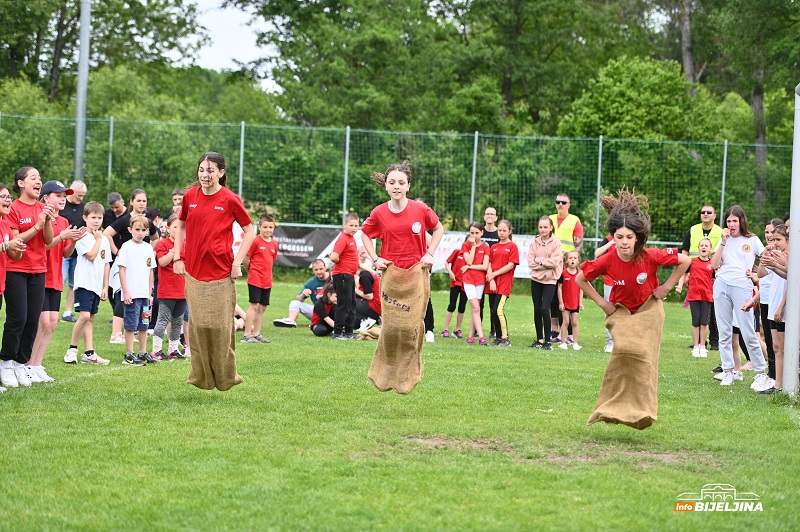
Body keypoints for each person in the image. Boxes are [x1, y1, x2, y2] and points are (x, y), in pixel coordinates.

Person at [576, 189, 690, 429]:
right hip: (623, 312)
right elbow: (580, 279)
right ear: (613, 238)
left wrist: (666, 287)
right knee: (626, 351)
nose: (624, 242)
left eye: (629, 237)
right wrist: (602, 302)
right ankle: (610, 408)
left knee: (643, 357)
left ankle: (642, 411)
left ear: (637, 238)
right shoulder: (607, 260)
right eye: (619, 237)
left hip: (649, 310)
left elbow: (685, 261)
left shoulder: (650, 255)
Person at [173, 152, 255, 391]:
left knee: (220, 327)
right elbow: (181, 226)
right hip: (194, 274)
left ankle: (227, 377)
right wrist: (179, 257)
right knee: (198, 328)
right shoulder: (190, 196)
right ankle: (201, 377)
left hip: (221, 274)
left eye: (210, 171)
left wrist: (237, 261)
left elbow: (250, 231)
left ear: (221, 172)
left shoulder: (230, 199)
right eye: (201, 170)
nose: (205, 175)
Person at [360, 160, 443, 394]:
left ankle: (408, 375)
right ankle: (384, 374)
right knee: (391, 328)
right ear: (386, 186)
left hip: (417, 274)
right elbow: (365, 234)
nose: (397, 186)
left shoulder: (420, 209)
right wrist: (375, 259)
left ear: (408, 186)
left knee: (410, 328)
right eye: (392, 182)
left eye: (401, 182)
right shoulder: (379, 212)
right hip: (391, 276)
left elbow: (438, 229)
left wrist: (429, 253)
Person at [0, 167, 56, 389]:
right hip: (16, 269)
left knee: (32, 320)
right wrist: (38, 225)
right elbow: (15, 241)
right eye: (33, 178)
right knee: (18, 318)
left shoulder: (43, 208)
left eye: (39, 178)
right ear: (20, 183)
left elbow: (48, 241)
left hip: (38, 269)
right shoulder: (12, 208)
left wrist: (47, 221)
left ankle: (21, 363)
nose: (38, 181)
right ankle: (5, 363)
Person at [709, 205, 774, 392]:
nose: (731, 224)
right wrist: (722, 242)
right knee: (724, 331)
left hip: (742, 287)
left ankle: (761, 372)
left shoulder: (752, 240)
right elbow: (713, 264)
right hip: (721, 285)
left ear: (741, 221)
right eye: (728, 221)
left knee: (748, 332)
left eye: (734, 221)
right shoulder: (724, 240)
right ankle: (728, 370)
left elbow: (766, 257)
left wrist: (754, 273)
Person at [27, 181, 85, 382]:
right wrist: (62, 237)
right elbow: (43, 246)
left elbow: (65, 253)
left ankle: (36, 365)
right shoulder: (41, 218)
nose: (62, 199)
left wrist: (74, 240)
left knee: (51, 323)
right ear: (45, 198)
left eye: (63, 196)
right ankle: (26, 364)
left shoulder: (64, 222)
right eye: (58, 196)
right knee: (41, 322)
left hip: (56, 277)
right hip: (40, 275)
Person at [103, 189, 160, 344]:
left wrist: (151, 253)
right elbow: (107, 233)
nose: (141, 203)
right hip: (124, 265)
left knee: (138, 299)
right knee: (123, 296)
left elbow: (156, 238)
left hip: (140, 267)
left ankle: (132, 331)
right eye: (138, 200)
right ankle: (115, 334)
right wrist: (116, 251)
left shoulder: (146, 221)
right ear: (131, 201)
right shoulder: (125, 219)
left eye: (144, 201)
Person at [64, 202, 114, 365]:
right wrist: (98, 239)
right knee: (84, 316)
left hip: (95, 285)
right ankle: (72, 349)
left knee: (90, 318)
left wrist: (105, 287)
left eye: (99, 218)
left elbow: (106, 264)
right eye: (93, 217)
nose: (96, 221)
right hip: (83, 283)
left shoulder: (104, 240)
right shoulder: (83, 236)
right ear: (85, 218)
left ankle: (89, 353)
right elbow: (91, 256)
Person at [680, 205, 723, 350]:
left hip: (713, 272)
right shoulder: (693, 230)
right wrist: (685, 273)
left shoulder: (720, 231)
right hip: (694, 274)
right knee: (697, 316)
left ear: (714, 215)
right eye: (703, 212)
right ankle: (697, 342)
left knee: (712, 313)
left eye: (709, 212)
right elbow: (685, 251)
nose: (705, 214)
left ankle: (714, 341)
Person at [117, 214, 157, 365]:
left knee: (144, 324)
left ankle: (142, 352)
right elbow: (122, 270)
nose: (140, 232)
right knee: (130, 324)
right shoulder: (126, 247)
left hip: (144, 294)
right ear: (130, 229)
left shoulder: (148, 248)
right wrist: (126, 291)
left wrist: (150, 293)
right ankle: (129, 354)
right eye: (137, 229)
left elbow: (151, 271)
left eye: (143, 230)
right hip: (131, 294)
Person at [757, 223, 789, 394]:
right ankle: (777, 384)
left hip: (783, 309)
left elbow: (791, 281)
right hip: (774, 305)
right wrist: (766, 255)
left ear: (788, 240)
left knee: (784, 347)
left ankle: (786, 384)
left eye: (778, 239)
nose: (774, 242)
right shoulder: (775, 254)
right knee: (776, 347)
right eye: (773, 238)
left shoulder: (791, 257)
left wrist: (782, 306)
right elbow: (761, 274)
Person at [151, 213, 188, 360]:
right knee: (163, 320)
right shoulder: (163, 244)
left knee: (178, 321)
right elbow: (162, 262)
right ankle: (156, 350)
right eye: (175, 227)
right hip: (167, 291)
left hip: (182, 290)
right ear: (167, 228)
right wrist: (173, 252)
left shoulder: (186, 244)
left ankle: (173, 349)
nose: (178, 230)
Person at [0, 184, 25, 392]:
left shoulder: (5, 225)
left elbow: (12, 256)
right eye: (2, 197)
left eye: (9, 197)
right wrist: (8, 246)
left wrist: (17, 248)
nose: (7, 200)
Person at [549, 193, 583, 343]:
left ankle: (569, 335)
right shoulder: (550, 219)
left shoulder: (574, 220)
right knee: (553, 299)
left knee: (569, 298)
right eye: (558, 202)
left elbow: (578, 246)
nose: (560, 204)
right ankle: (554, 331)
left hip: (567, 266)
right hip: (551, 266)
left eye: (564, 202)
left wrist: (570, 263)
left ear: (569, 205)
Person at [242, 214, 279, 343]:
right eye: (265, 227)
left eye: (270, 227)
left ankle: (257, 333)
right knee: (254, 305)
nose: (268, 230)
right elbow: (246, 259)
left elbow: (271, 262)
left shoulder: (274, 243)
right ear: (259, 227)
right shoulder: (255, 241)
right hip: (255, 279)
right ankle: (247, 335)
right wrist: (251, 272)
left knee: (262, 307)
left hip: (267, 281)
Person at [528, 216, 563, 350]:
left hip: (550, 280)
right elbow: (531, 263)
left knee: (544, 308)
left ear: (551, 228)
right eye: (540, 227)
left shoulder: (556, 243)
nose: (543, 230)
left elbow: (555, 262)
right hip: (536, 279)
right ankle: (539, 339)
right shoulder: (534, 243)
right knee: (537, 309)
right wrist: (544, 263)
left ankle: (548, 341)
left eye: (545, 227)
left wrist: (540, 261)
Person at [676, 238, 715, 358]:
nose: (703, 247)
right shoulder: (692, 262)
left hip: (707, 296)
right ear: (698, 248)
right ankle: (696, 346)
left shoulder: (713, 264)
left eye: (706, 246)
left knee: (704, 322)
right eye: (701, 245)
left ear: (710, 249)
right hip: (693, 295)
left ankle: (703, 346)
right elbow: (682, 273)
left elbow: (715, 279)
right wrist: (680, 285)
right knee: (695, 321)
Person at [486, 220, 519, 346]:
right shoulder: (493, 247)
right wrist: (491, 279)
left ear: (509, 231)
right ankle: (498, 337)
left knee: (498, 309)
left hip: (504, 282)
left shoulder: (512, 247)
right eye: (499, 230)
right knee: (493, 310)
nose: (501, 232)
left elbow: (511, 265)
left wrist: (494, 275)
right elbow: (489, 263)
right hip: (493, 283)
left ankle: (506, 338)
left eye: (504, 230)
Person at [273, 259, 330, 327]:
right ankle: (290, 321)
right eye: (316, 270)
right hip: (318, 311)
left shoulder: (333, 279)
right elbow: (299, 300)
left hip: (332, 311)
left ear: (325, 267)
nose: (319, 272)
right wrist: (303, 294)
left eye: (321, 269)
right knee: (294, 303)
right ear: (313, 270)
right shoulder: (311, 282)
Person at [60, 180, 87, 323]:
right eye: (79, 196)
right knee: (60, 279)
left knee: (73, 283)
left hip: (78, 252)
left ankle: (67, 312)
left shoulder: (84, 208)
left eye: (83, 196)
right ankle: (51, 309)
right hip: (63, 250)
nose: (81, 199)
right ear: (71, 191)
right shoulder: (62, 205)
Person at [330, 213, 360, 340]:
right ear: (345, 225)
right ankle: (337, 333)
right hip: (342, 275)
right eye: (351, 225)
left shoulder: (351, 238)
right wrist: (342, 265)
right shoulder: (343, 238)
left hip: (349, 275)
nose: (354, 228)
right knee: (344, 303)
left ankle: (348, 331)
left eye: (356, 225)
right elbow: (334, 256)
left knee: (352, 303)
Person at [461, 222, 490, 346]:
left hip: (480, 280)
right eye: (472, 233)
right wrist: (473, 246)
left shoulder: (485, 247)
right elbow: (468, 261)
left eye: (477, 233)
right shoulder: (466, 245)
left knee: (475, 309)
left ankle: (470, 336)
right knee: (476, 307)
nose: (474, 235)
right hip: (468, 280)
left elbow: (484, 266)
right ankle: (482, 337)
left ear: (482, 233)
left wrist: (469, 267)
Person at [558, 250, 584, 350]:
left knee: (575, 322)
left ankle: (575, 343)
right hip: (565, 303)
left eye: (575, 258)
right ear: (566, 261)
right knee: (566, 322)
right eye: (570, 258)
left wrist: (580, 302)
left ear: (578, 261)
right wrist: (561, 302)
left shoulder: (580, 274)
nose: (572, 260)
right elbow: (559, 288)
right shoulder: (563, 273)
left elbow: (581, 288)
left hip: (575, 303)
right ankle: (563, 342)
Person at [479, 207, 499, 337]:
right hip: (480, 271)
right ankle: (477, 329)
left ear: (496, 217)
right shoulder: (480, 232)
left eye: (492, 214)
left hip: (494, 272)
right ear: (484, 216)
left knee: (494, 304)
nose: (490, 216)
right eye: (487, 213)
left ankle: (494, 330)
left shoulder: (500, 232)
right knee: (479, 303)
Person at [594, 234, 615, 352]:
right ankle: (610, 343)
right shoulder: (608, 239)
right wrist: (611, 243)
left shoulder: (630, 237)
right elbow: (597, 253)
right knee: (610, 311)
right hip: (610, 282)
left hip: (627, 281)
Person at [441, 247, 467, 339]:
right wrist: (451, 273)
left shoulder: (473, 256)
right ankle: (445, 329)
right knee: (452, 305)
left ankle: (457, 329)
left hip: (466, 284)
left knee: (462, 306)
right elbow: (446, 262)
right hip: (455, 282)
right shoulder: (457, 252)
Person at [354, 258, 381, 331]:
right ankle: (366, 320)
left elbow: (369, 296)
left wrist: (355, 290)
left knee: (349, 300)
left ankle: (366, 320)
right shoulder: (367, 274)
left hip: (375, 306)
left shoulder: (364, 276)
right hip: (378, 306)